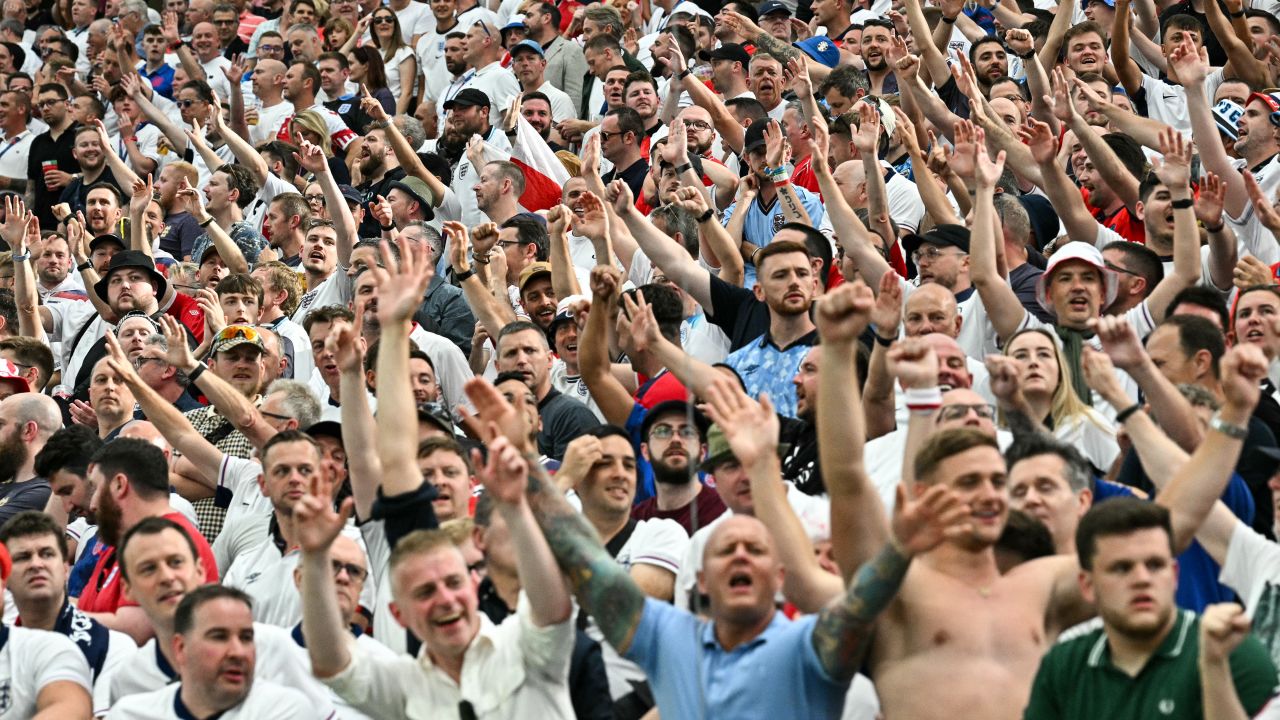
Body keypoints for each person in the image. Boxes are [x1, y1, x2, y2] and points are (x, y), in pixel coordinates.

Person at [1024, 499, 1279, 719]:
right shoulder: (1064, 664)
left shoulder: (1235, 655)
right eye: (1122, 568)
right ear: (1088, 585)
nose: (1142, 579)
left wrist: (1214, 668)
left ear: (1175, 575)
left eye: (1155, 565)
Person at [104, 585, 317, 719]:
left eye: (246, 638)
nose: (238, 652)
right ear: (181, 647)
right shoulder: (130, 714)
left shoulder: (286, 711)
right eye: (219, 637)